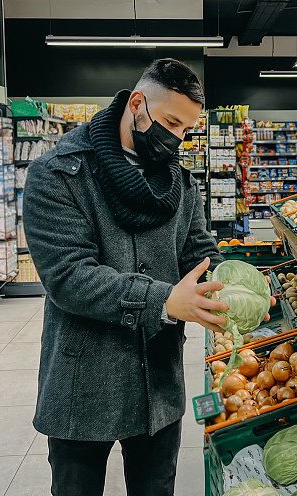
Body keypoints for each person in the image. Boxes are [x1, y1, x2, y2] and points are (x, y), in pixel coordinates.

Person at [23, 58, 274, 496]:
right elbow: (68, 276)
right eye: (171, 122)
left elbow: (198, 252)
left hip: (157, 384)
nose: (176, 138)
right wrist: (163, 300)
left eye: (186, 130)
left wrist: (233, 283)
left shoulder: (180, 182)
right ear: (137, 103)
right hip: (84, 382)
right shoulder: (58, 173)